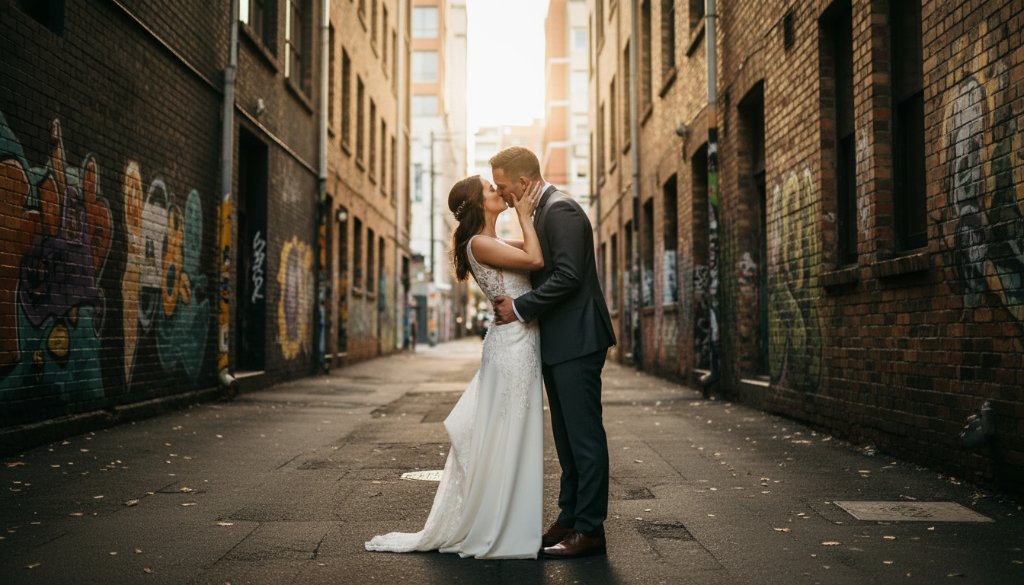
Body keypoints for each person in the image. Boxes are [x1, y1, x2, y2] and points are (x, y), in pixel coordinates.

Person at [365, 176, 546, 559]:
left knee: (512, 434)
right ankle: (501, 526)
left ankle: (508, 519)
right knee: (509, 433)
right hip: (511, 350)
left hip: (517, 344)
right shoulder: (480, 243)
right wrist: (526, 215)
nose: (499, 191)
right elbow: (535, 260)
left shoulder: (490, 241)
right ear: (478, 204)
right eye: (490, 189)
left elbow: (533, 253)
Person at [490, 146, 616, 559]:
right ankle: (568, 518)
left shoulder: (560, 211)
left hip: (578, 341)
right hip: (561, 343)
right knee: (565, 439)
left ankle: (590, 529)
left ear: (524, 183)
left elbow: (567, 275)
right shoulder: (541, 211)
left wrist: (520, 308)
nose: (504, 196)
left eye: (506, 188)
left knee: (583, 437)